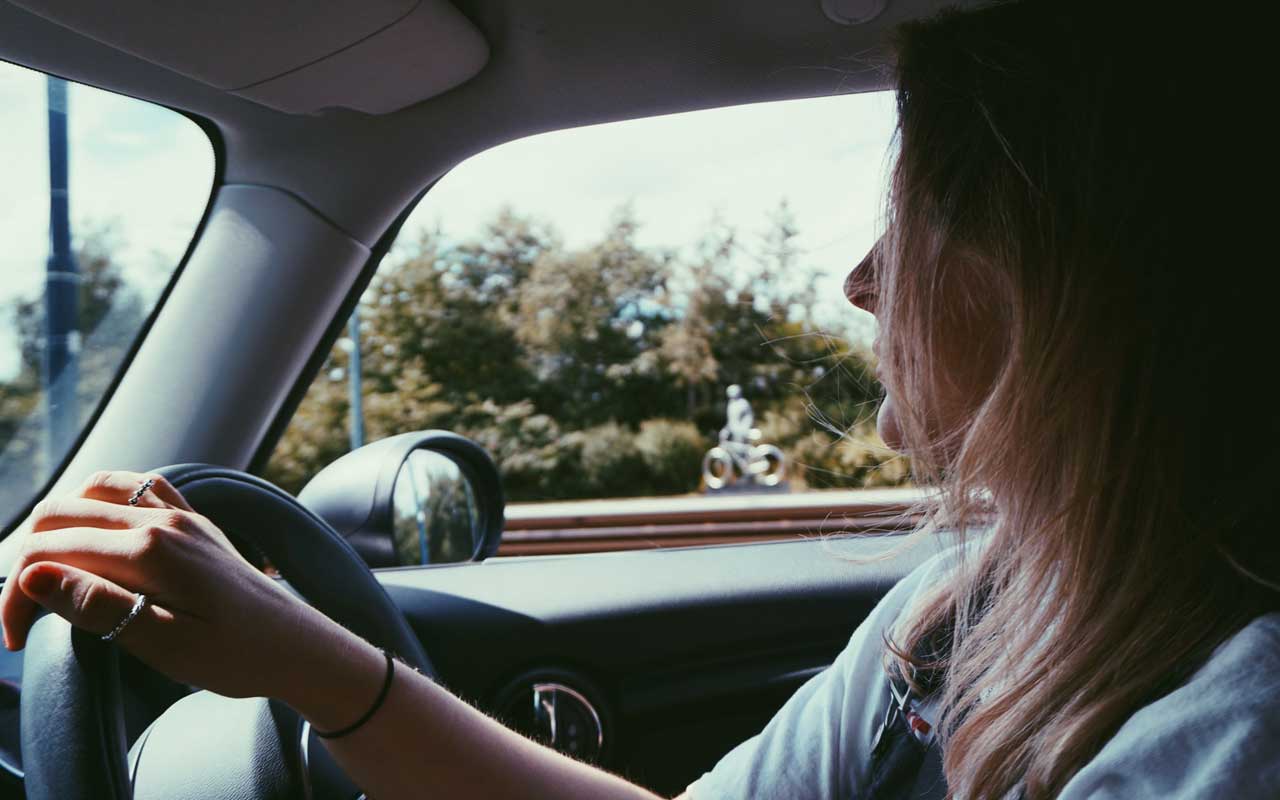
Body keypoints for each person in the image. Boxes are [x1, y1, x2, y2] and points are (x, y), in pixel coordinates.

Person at [2, 1, 1276, 798]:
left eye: (920, 214)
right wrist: (313, 663)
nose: (858, 279)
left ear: (1072, 269)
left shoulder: (1236, 724)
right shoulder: (973, 601)